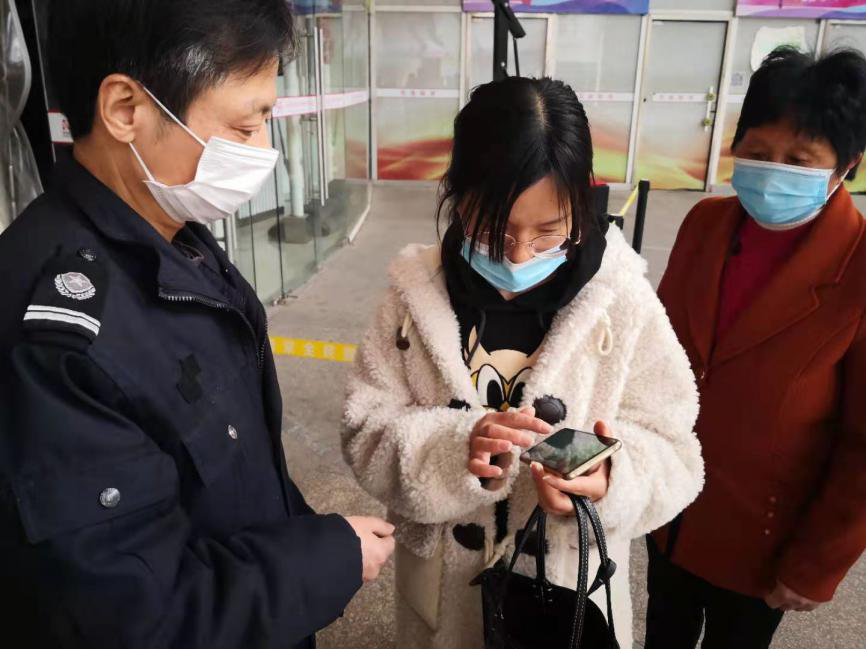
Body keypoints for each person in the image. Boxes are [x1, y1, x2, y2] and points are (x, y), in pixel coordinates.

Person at [0, 1, 395, 647]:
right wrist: (324, 560)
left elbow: (233, 468)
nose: (263, 151)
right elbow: (137, 618)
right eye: (244, 126)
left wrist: (304, 533)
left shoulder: (174, 240)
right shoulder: (58, 342)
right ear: (125, 109)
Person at [342, 76, 705, 649]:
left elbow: (676, 450)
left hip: (568, 602)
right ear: (456, 194)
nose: (518, 253)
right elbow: (364, 429)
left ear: (582, 205)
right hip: (444, 600)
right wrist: (454, 450)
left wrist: (611, 479)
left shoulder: (622, 299)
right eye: (494, 228)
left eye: (550, 232)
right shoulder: (413, 296)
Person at [646, 47, 866, 649]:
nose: (772, 172)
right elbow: (657, 351)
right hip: (669, 509)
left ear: (845, 166)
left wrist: (817, 565)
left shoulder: (858, 267)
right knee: (662, 631)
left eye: (798, 160)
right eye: (759, 153)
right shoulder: (706, 223)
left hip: (765, 542)